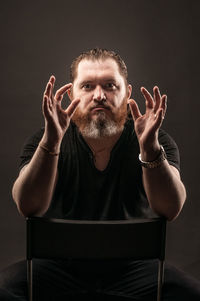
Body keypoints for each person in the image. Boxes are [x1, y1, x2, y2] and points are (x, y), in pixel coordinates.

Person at [0, 48, 200, 300]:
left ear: (127, 93)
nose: (99, 96)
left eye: (109, 85)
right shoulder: (43, 140)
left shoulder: (156, 141)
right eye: (87, 86)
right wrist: (51, 143)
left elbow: (171, 208)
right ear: (71, 92)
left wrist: (149, 149)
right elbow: (27, 205)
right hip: (56, 268)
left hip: (136, 269)